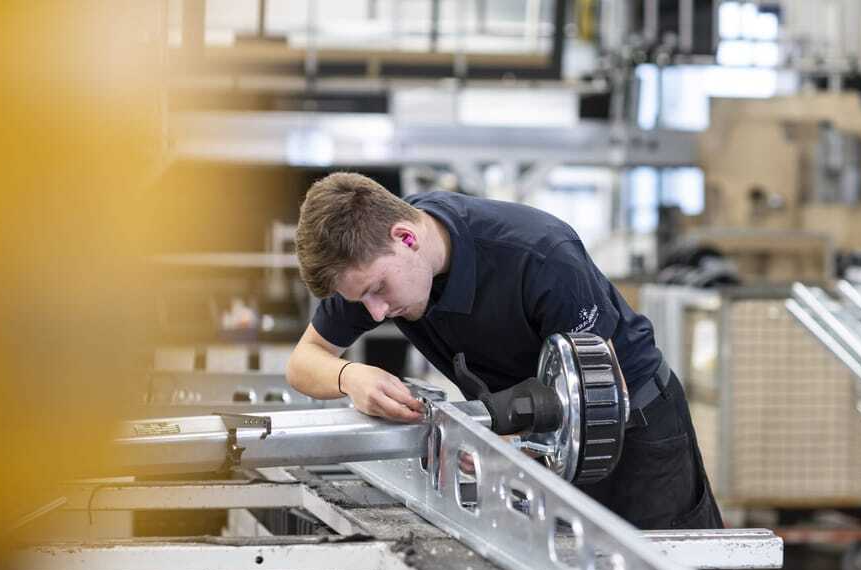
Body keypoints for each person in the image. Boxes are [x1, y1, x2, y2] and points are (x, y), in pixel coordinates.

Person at [287, 172, 723, 532]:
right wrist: (350, 377)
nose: (376, 312)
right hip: (535, 434)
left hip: (632, 425)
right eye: (362, 299)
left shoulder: (541, 256)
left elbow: (599, 396)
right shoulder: (368, 261)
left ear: (406, 237)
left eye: (378, 290)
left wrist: (505, 447)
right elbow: (303, 361)